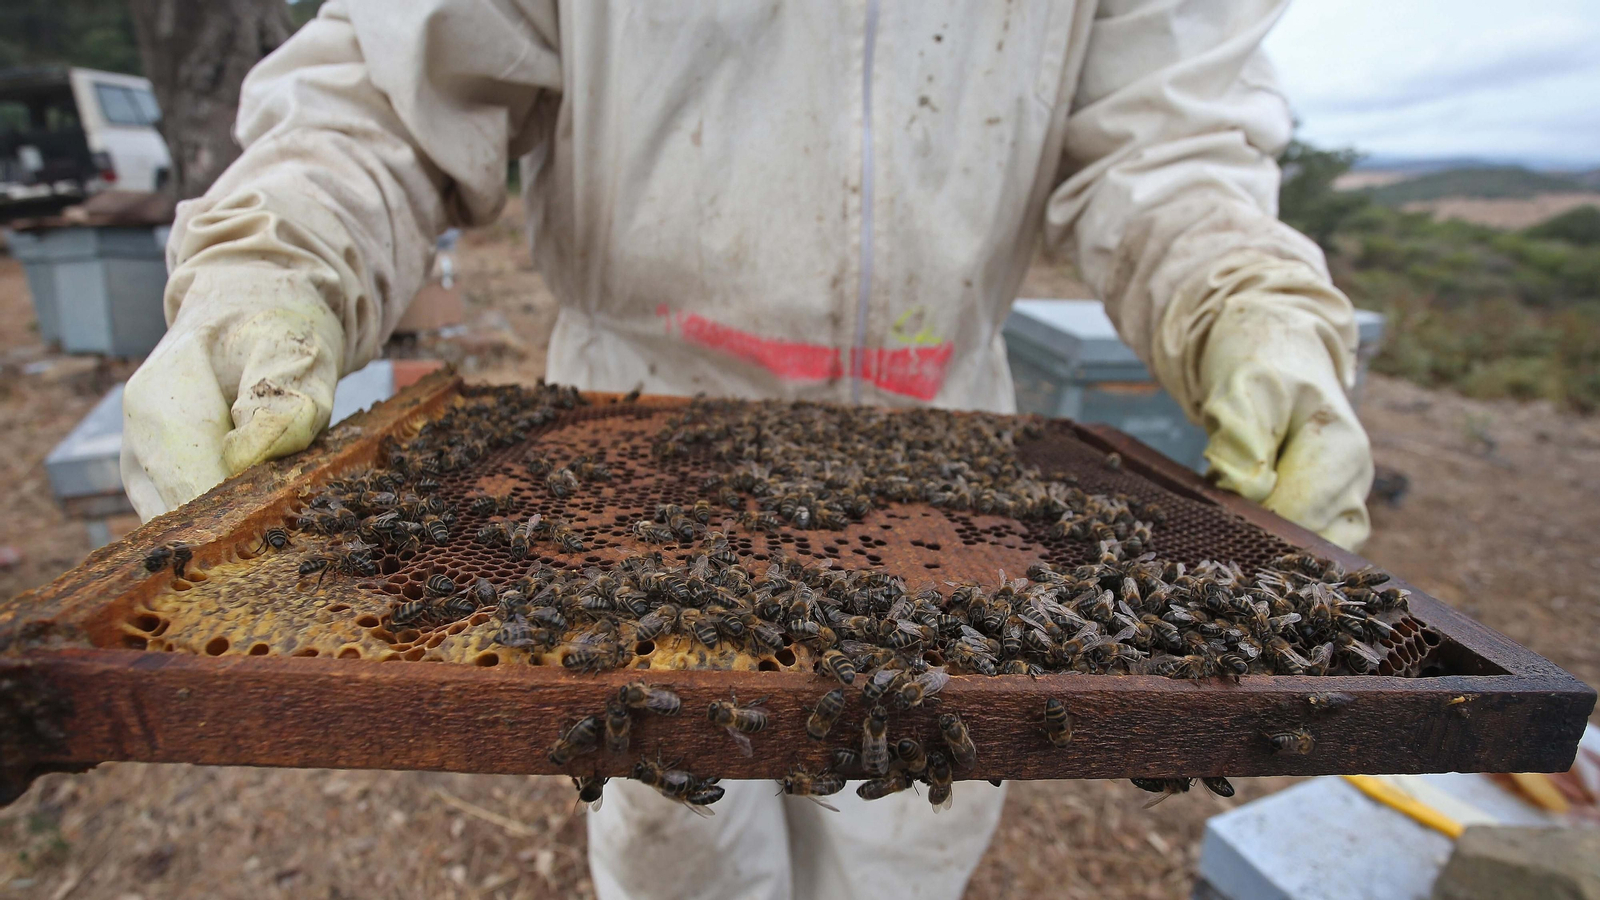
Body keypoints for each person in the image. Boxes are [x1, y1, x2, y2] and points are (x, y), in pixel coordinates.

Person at [119, 2, 1373, 898]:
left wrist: (1242, 298)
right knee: (678, 845)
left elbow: (1174, 146)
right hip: (618, 455)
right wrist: (275, 257)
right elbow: (388, 92)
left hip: (958, 486)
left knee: (908, 836)